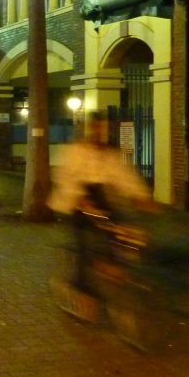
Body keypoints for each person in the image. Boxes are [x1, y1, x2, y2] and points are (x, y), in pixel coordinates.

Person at [49, 111, 157, 296]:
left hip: (103, 198)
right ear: (90, 128)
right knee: (84, 241)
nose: (100, 132)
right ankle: (81, 288)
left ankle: (113, 265)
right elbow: (64, 176)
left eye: (103, 128)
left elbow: (124, 177)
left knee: (121, 230)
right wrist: (78, 196)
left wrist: (141, 197)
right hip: (78, 200)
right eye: (96, 127)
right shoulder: (75, 150)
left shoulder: (109, 154)